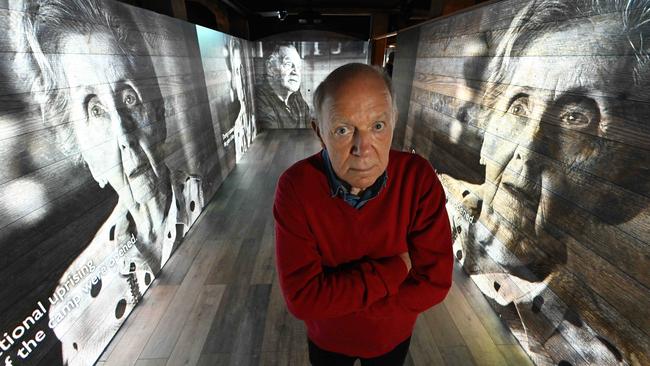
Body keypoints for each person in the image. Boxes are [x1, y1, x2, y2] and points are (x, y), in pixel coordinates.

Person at [452, 0, 650, 364]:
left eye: (577, 118)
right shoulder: (430, 202)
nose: (528, 149)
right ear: (487, 131)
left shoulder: (593, 356)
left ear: (624, 190)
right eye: (518, 107)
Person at [23, 0, 204, 364]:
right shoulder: (72, 297)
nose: (124, 133)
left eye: (128, 97)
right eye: (95, 109)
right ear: (77, 145)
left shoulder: (206, 194)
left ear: (158, 111)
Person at [273, 63, 453, 365]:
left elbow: (435, 284)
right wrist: (397, 268)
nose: (363, 148)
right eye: (343, 130)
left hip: (389, 340)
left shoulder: (418, 178)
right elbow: (302, 300)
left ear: (394, 121)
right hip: (328, 342)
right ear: (319, 131)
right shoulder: (295, 187)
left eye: (378, 126)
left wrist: (336, 302)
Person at [255, 44, 311, 129]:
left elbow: (310, 130)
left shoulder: (296, 96)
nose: (296, 72)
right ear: (270, 68)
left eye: (298, 67)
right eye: (288, 64)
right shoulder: (260, 100)